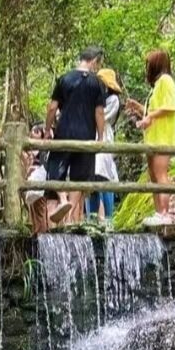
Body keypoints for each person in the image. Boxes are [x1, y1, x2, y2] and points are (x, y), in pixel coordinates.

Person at [43, 46, 107, 223]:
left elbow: (52, 108)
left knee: (55, 168)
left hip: (64, 132)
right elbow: (99, 113)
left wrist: (48, 131)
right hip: (86, 136)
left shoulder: (65, 79)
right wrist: (100, 138)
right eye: (98, 63)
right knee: (80, 177)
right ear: (94, 61)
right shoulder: (97, 83)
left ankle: (63, 199)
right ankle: (71, 216)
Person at [128, 49, 175, 217]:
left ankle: (164, 213)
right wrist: (139, 108)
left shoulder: (166, 80)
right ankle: (158, 212)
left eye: (149, 63)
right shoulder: (157, 85)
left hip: (162, 138)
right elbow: (155, 111)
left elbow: (170, 107)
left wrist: (149, 116)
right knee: (154, 177)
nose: (147, 67)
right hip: (152, 138)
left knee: (160, 175)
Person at [87, 67, 122, 222]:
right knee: (90, 180)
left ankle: (108, 220)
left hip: (104, 139)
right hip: (90, 138)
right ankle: (92, 220)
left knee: (104, 177)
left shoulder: (113, 100)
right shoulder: (93, 99)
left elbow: (102, 116)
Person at [23, 123, 50, 235]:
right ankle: (37, 232)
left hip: (40, 183)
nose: (32, 134)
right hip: (34, 183)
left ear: (40, 133)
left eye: (35, 132)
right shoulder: (35, 151)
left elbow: (44, 166)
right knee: (34, 209)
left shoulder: (43, 150)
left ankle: (41, 234)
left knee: (39, 209)